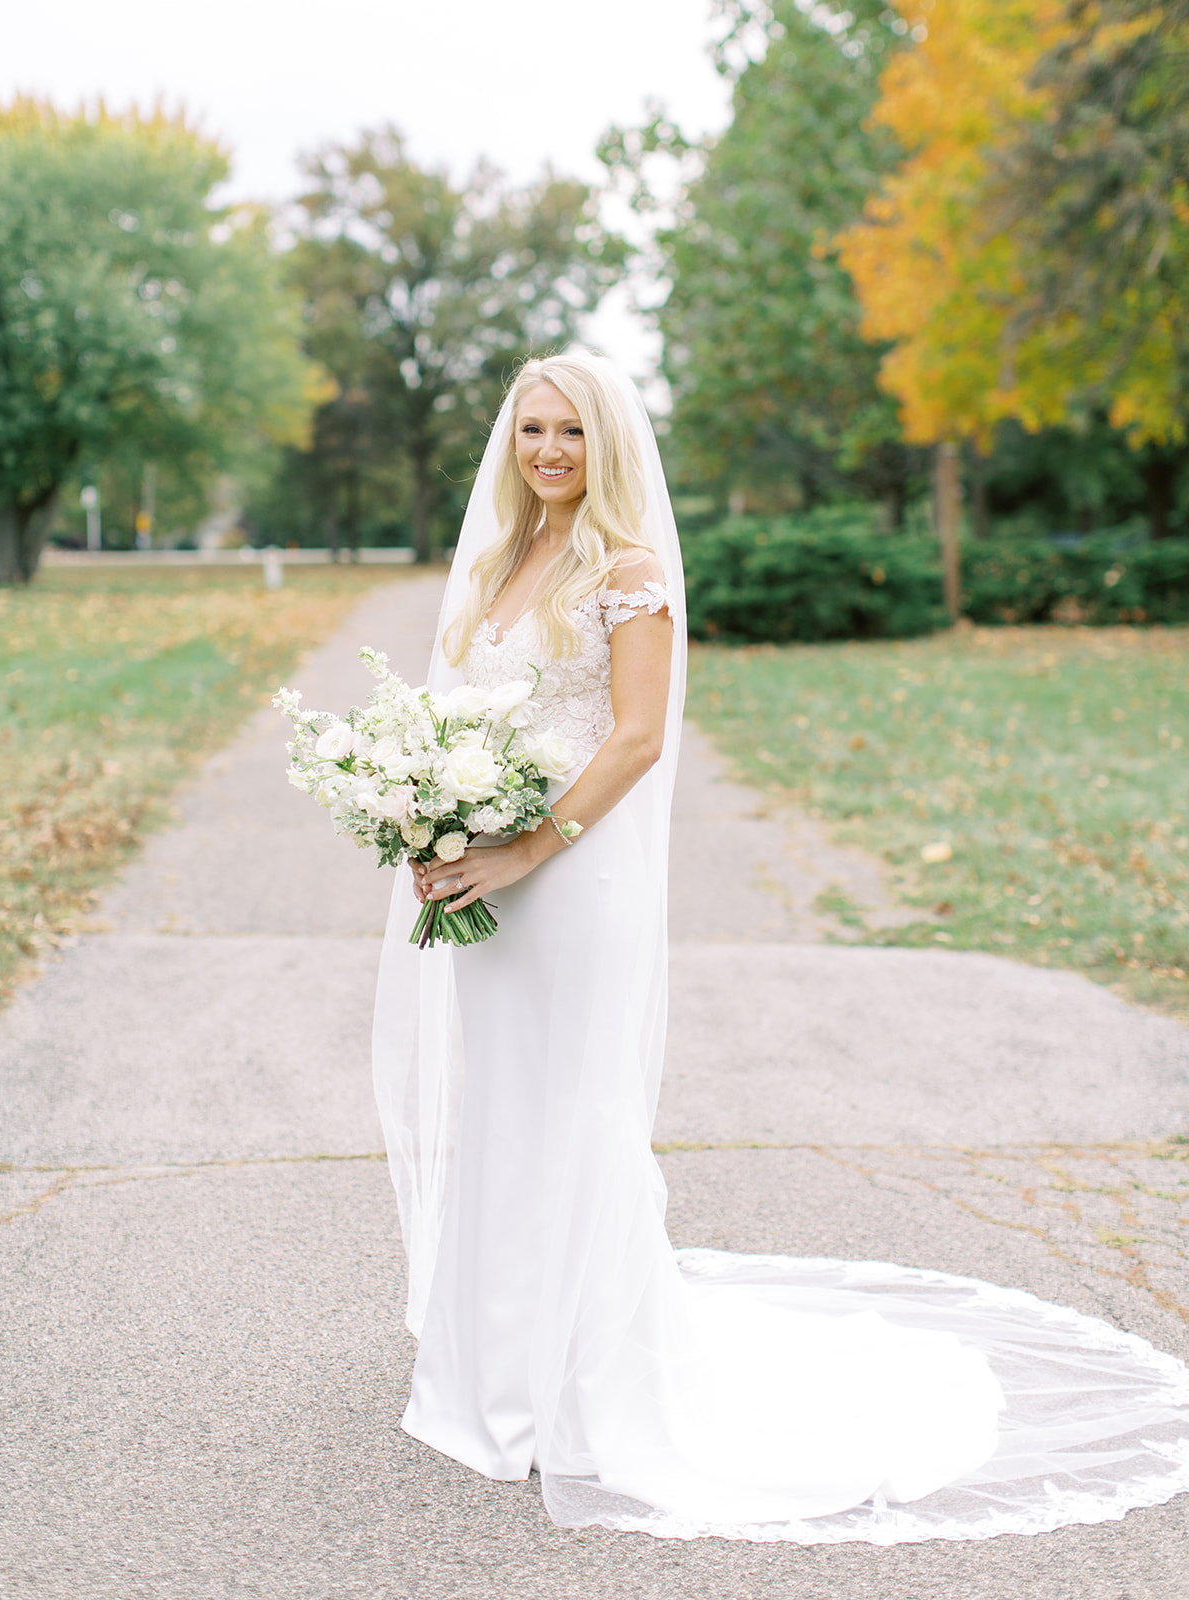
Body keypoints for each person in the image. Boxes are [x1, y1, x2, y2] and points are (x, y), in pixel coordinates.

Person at [371, 351, 1189, 1543]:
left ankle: (579, 1388)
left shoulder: (628, 572)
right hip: (491, 866)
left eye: (572, 432)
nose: (549, 450)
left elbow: (639, 736)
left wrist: (524, 850)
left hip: (567, 872)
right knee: (500, 1103)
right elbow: (460, 720)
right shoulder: (503, 560)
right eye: (533, 429)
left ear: (607, 447)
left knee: (573, 1109)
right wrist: (430, 817)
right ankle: (488, 1374)